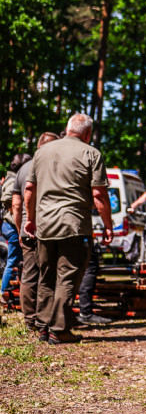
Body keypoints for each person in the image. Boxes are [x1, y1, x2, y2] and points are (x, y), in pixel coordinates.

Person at [24, 115, 113, 344]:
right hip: (74, 225)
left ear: (67, 129)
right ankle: (59, 329)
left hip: (44, 225)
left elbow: (30, 189)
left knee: (46, 275)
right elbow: (99, 194)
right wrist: (108, 224)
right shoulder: (91, 153)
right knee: (67, 276)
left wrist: (31, 219)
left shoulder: (41, 152)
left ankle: (43, 327)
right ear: (88, 134)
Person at [10, 133, 60, 334]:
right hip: (46, 227)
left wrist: (20, 227)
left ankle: (29, 318)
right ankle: (44, 319)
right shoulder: (50, 166)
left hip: (26, 229)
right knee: (48, 274)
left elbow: (16, 204)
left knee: (29, 274)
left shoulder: (22, 169)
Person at [2, 153, 31, 305]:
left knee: (17, 259)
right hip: (12, 226)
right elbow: (7, 198)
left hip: (12, 225)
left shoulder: (11, 178)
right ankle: (4, 291)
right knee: (13, 259)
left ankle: (10, 289)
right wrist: (15, 208)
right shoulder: (14, 179)